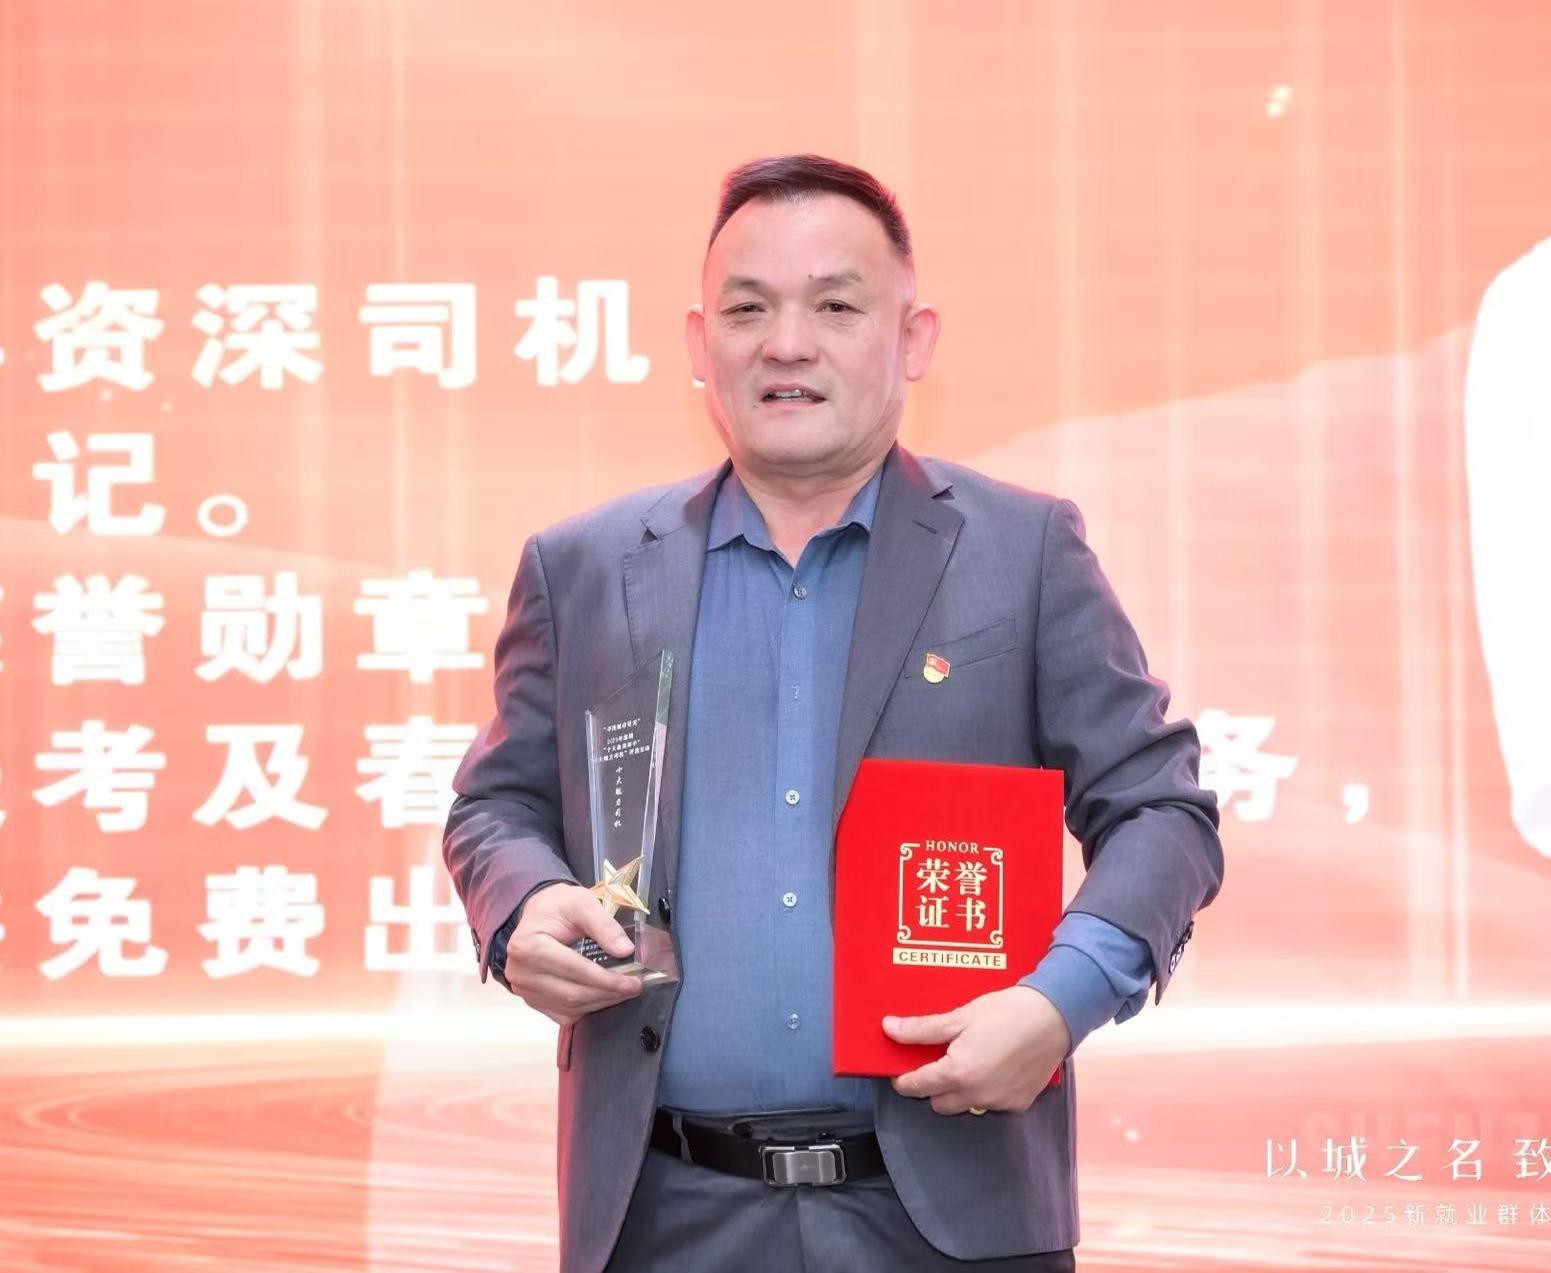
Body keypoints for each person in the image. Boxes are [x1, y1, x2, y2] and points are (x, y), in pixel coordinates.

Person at [443, 153, 1223, 1273]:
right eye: (746, 309)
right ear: (698, 343)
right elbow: (498, 805)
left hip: (952, 1217)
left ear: (913, 338)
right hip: (661, 1216)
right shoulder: (586, 568)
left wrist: (1060, 1001)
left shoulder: (1023, 552)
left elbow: (1159, 809)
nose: (786, 344)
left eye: (835, 306)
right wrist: (519, 905)